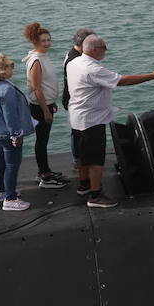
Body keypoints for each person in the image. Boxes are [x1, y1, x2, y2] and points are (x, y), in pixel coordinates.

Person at [65, 34, 154, 208]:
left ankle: (84, 185)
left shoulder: (73, 63)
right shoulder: (93, 69)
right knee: (96, 160)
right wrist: (153, 75)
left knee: (83, 156)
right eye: (104, 48)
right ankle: (95, 196)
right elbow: (123, 81)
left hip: (76, 117)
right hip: (92, 120)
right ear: (95, 50)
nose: (105, 52)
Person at [0, 53, 34, 211]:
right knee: (12, 164)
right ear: (2, 70)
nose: (13, 68)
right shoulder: (6, 90)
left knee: (1, 162)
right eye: (10, 66)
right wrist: (16, 135)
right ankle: (10, 199)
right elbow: (10, 116)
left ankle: (1, 191)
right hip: (8, 133)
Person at [22, 22, 68, 189]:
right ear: (35, 42)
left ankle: (45, 170)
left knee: (44, 139)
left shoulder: (42, 56)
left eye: (49, 40)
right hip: (40, 107)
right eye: (44, 41)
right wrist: (45, 110)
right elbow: (36, 88)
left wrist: (52, 103)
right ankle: (45, 176)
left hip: (47, 104)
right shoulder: (36, 60)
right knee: (42, 141)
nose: (48, 43)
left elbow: (46, 84)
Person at [62, 27, 95, 196]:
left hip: (69, 100)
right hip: (74, 103)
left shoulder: (70, 55)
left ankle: (78, 160)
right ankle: (79, 161)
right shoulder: (76, 60)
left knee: (75, 133)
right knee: (77, 135)